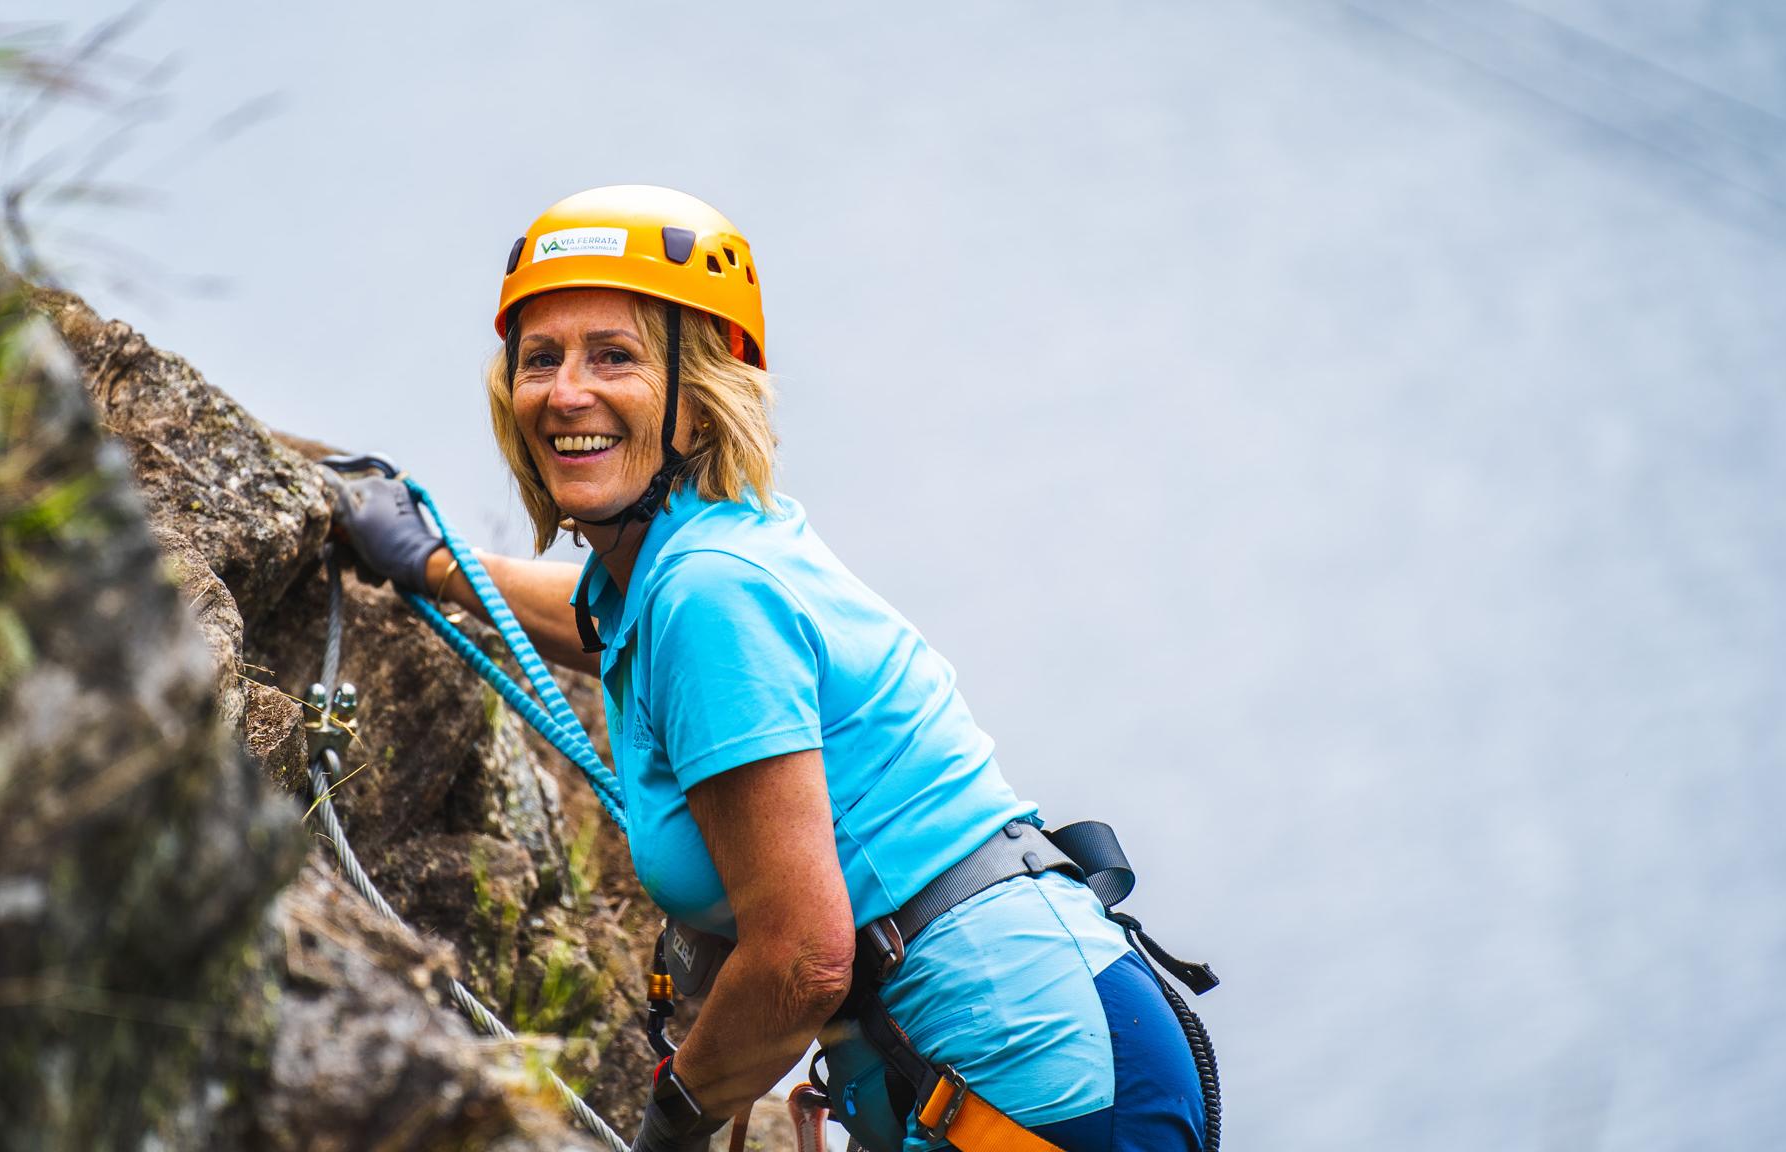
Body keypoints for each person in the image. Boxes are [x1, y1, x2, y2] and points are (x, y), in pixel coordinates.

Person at [334, 185, 1210, 1152]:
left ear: (699, 399)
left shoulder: (709, 593)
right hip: (1044, 1036)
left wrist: (669, 1126)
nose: (564, 392)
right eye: (540, 359)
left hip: (1032, 1071)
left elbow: (802, 960)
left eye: (614, 356)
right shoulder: (697, 562)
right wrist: (436, 563)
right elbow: (603, 628)